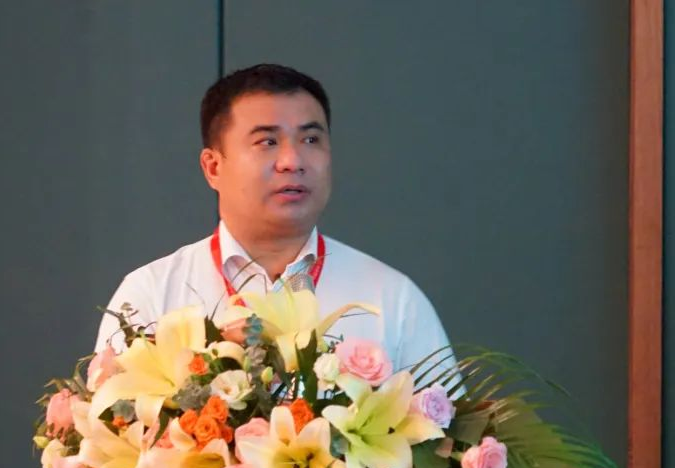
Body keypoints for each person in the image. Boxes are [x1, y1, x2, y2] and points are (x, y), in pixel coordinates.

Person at [94, 63, 457, 376]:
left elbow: (448, 431)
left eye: (311, 139)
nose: (292, 161)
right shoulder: (151, 294)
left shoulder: (391, 299)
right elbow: (109, 429)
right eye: (267, 142)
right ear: (213, 167)